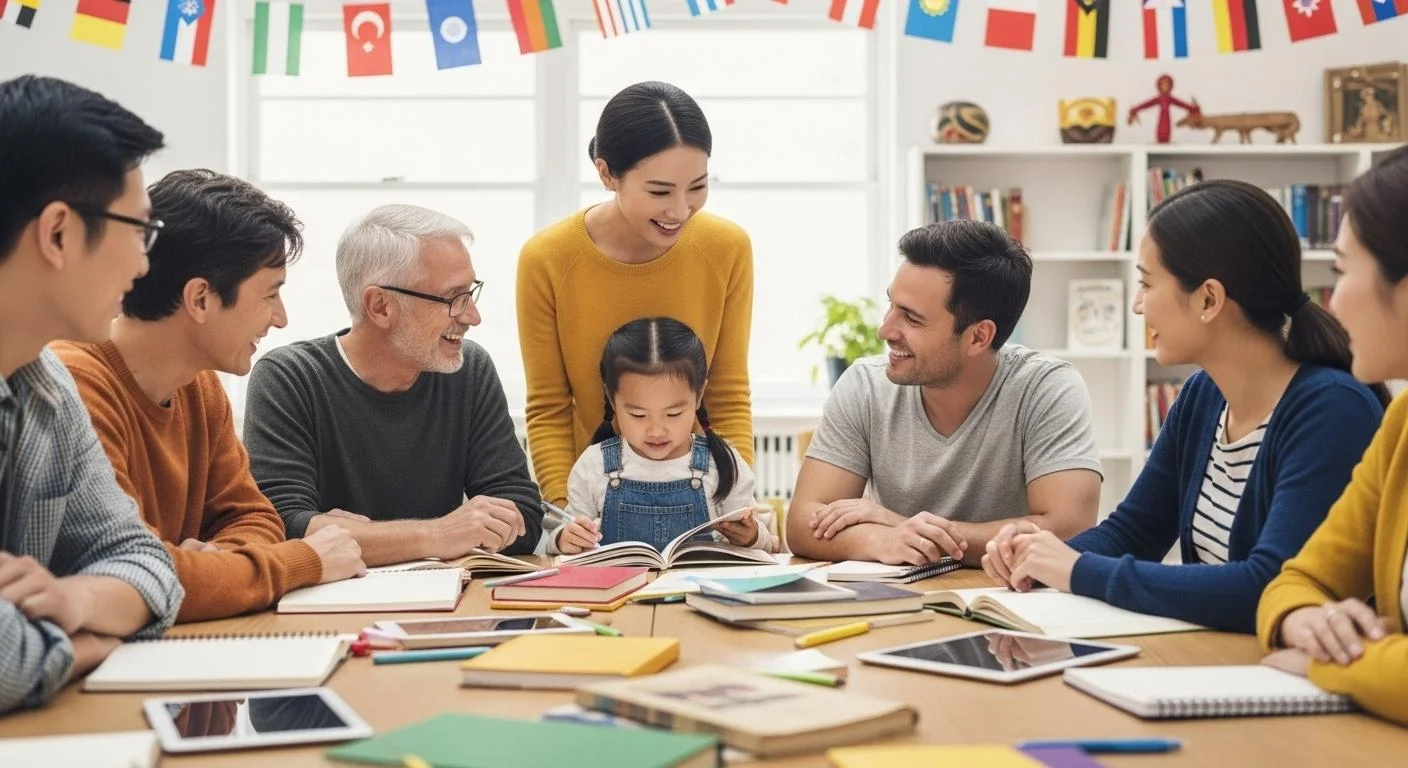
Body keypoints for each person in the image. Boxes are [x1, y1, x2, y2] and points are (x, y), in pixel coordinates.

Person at [983, 180, 1386, 634]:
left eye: (1146, 283)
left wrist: (1076, 570)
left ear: (1209, 300)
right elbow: (1132, 532)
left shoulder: (1331, 409)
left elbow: (1268, 585)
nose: (1137, 305)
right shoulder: (1203, 396)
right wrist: (1039, 552)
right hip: (1218, 661)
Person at [52, 169, 366, 624]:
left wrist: (215, 569)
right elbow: (132, 578)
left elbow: (256, 519)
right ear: (200, 299)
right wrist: (305, 561)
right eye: (271, 293)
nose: (280, 318)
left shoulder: (200, 386)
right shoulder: (76, 385)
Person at [0, 75, 182, 713]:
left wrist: (77, 598)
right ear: (57, 234)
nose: (142, 265)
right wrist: (90, 646)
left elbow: (145, 563)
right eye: (140, 231)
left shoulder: (46, 386)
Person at [787, 220, 1102, 567]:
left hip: (1008, 606)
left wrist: (909, 529)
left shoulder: (1047, 389)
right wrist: (881, 538)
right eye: (891, 305)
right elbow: (802, 524)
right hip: (897, 604)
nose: (884, 330)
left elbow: (1069, 531)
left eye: (912, 318)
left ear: (979, 337)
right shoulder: (864, 386)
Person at [244, 204, 541, 566]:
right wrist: (439, 534)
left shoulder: (470, 369)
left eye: (471, 292)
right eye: (453, 298)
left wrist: (352, 534)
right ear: (380, 306)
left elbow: (523, 516)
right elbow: (282, 528)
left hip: (447, 601)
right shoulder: (290, 378)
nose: (472, 316)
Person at [517, 81, 754, 510]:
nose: (680, 210)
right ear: (607, 174)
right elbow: (549, 408)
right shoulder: (547, 259)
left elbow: (728, 394)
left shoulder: (727, 248)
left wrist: (736, 505)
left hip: (702, 504)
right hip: (593, 506)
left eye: (697, 186)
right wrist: (565, 516)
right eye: (660, 192)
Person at [1258, 145, 1408, 725]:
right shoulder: (1401, 424)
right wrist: (1304, 620)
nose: (1331, 298)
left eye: (1343, 271)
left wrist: (1329, 660)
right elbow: (1296, 579)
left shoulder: (1333, 402)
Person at [548, 318, 775, 556]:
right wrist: (564, 538)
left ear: (699, 396)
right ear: (611, 398)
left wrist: (752, 537)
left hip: (696, 592)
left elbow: (766, 545)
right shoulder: (594, 465)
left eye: (673, 413)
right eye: (638, 414)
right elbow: (559, 538)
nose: (656, 431)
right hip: (620, 591)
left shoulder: (720, 463)